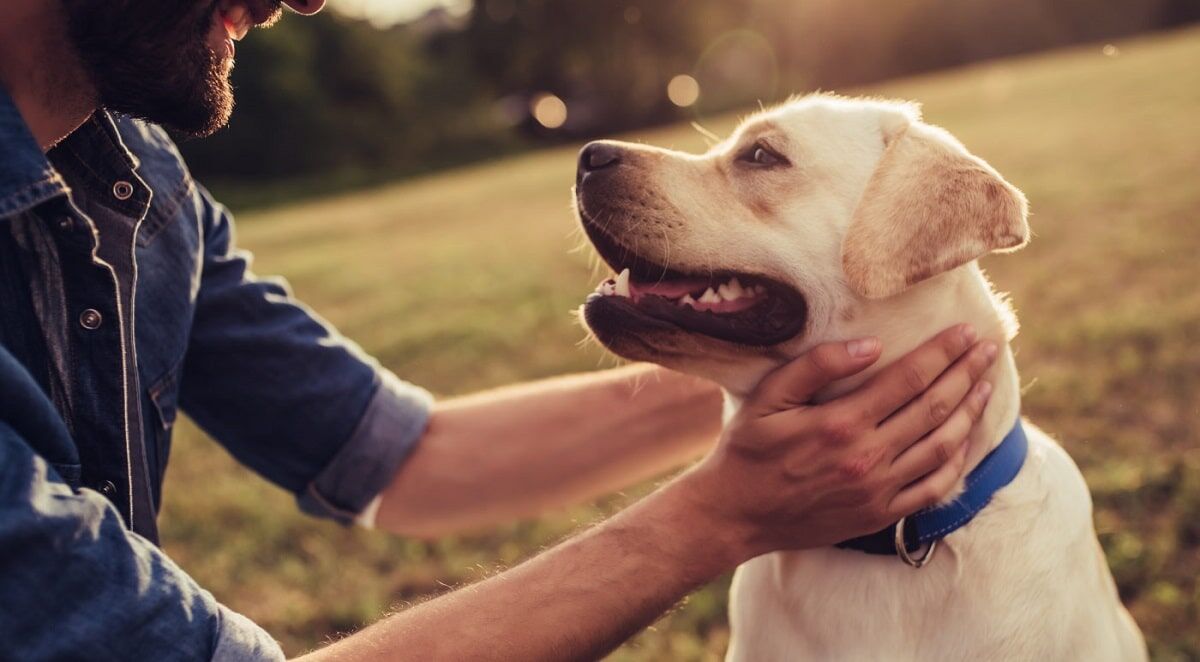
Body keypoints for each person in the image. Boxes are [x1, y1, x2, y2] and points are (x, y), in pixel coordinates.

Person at [0, 0, 999, 659]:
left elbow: (409, 456)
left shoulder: (138, 185)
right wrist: (721, 514)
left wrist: (808, 369)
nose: (307, 0)